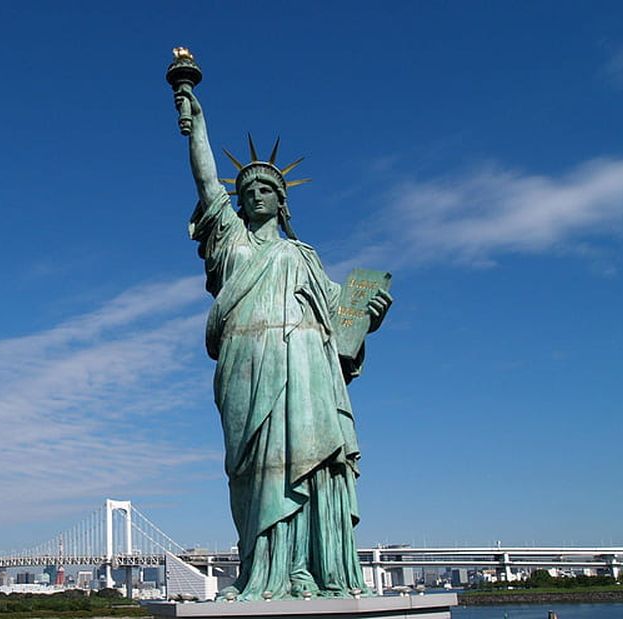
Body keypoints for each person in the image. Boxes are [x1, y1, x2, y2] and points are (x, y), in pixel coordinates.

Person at [174, 87, 392, 600]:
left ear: (281, 199)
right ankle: (262, 570)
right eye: (247, 189)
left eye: (266, 189)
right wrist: (197, 123)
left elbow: (343, 323)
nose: (255, 194)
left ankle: (312, 571)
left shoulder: (304, 256)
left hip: (307, 369)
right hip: (248, 366)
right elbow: (209, 183)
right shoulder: (233, 242)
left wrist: (370, 318)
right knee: (255, 469)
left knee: (313, 465)